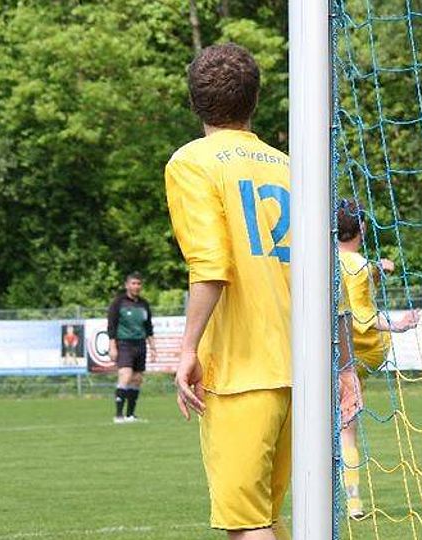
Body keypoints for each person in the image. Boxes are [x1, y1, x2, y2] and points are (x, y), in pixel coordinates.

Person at [166, 43, 291, 540]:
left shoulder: (191, 162)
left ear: (195, 102)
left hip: (243, 370)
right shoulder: (288, 165)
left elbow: (212, 267)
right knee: (266, 517)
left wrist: (187, 349)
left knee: (245, 526)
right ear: (254, 99)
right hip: (299, 368)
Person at [335, 199, 420, 519]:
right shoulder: (361, 265)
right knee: (344, 427)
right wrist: (397, 325)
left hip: (338, 352)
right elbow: (363, 317)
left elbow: (355, 312)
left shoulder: (325, 259)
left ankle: (351, 501)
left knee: (339, 425)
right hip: (363, 350)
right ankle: (353, 503)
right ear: (363, 228)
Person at [107, 272, 156, 423]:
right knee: (125, 376)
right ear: (127, 285)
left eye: (138, 283)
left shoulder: (143, 304)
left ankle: (130, 415)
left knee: (137, 379)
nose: (136, 286)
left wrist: (153, 347)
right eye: (133, 283)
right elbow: (112, 325)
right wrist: (112, 345)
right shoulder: (118, 302)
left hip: (140, 344)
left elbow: (148, 327)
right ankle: (118, 415)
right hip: (124, 344)